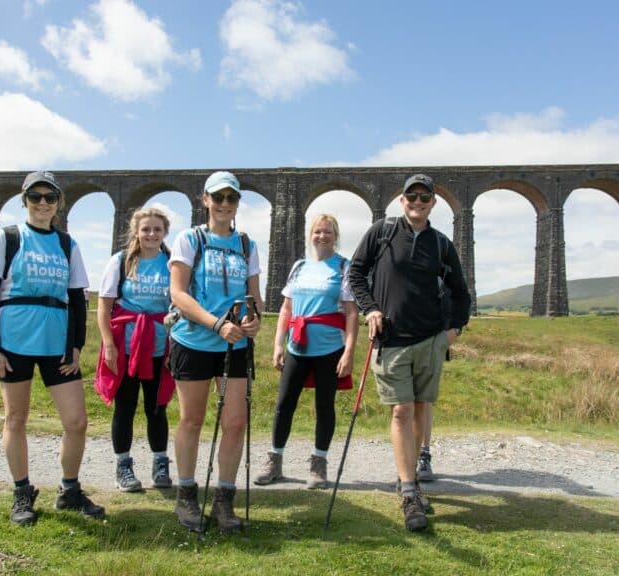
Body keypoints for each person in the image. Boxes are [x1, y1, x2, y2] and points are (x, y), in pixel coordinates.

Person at [0, 170, 104, 526]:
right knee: (16, 418)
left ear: (59, 203)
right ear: (25, 201)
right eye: (36, 197)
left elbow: (78, 297)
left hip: (56, 342)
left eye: (50, 197)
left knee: (76, 421)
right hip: (13, 340)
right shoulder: (8, 238)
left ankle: (70, 490)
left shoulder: (67, 244)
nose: (43, 203)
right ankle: (21, 492)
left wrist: (77, 345)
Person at [347, 173, 471, 532]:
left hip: (430, 339)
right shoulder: (381, 233)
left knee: (419, 409)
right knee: (400, 410)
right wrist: (370, 308)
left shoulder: (442, 245)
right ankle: (407, 490)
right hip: (392, 339)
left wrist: (453, 331)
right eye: (411, 196)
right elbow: (356, 274)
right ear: (401, 200)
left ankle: (412, 478)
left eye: (424, 198)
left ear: (433, 203)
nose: (417, 202)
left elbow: (461, 293)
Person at [168, 170, 263, 534]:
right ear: (205, 200)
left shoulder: (246, 245)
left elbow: (254, 295)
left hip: (235, 344)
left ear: (237, 203)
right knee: (192, 419)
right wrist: (215, 323)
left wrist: (253, 320)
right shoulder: (189, 239)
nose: (225, 204)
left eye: (232, 198)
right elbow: (178, 293)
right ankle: (187, 493)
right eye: (218, 197)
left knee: (235, 422)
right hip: (194, 340)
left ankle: (225, 498)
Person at [254, 213, 358, 489]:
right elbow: (286, 309)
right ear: (310, 235)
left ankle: (318, 465)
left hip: (330, 347)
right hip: (297, 346)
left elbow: (351, 313)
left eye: (327, 232)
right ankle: (274, 461)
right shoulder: (299, 266)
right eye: (317, 232)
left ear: (335, 236)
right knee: (283, 404)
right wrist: (278, 343)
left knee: (325, 406)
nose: (322, 236)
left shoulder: (344, 267)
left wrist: (349, 352)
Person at [95, 207, 175, 492]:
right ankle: (123, 466)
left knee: (158, 408)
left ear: (165, 233)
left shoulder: (171, 264)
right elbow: (104, 305)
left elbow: (179, 304)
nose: (151, 234)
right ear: (136, 232)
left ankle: (160, 463)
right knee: (125, 407)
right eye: (146, 229)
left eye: (157, 229)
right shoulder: (120, 262)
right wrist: (108, 345)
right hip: (125, 346)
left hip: (159, 347)